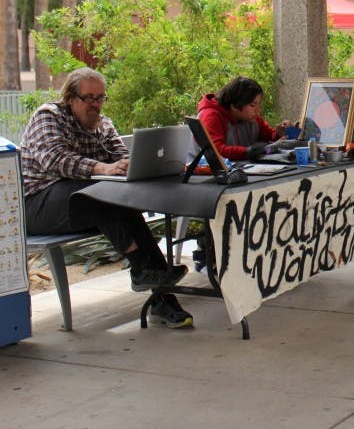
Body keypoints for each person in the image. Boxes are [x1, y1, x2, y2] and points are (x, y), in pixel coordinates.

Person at [20, 67, 191, 328]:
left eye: (100, 97)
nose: (95, 104)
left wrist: (130, 165)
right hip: (37, 203)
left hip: (82, 203)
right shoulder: (48, 116)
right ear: (70, 98)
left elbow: (120, 156)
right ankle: (140, 267)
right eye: (89, 98)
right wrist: (102, 168)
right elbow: (55, 160)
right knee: (97, 193)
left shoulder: (103, 123)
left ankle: (162, 297)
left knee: (121, 202)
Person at [195, 76, 292, 161]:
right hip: (203, 177)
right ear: (234, 106)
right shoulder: (211, 116)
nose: (258, 110)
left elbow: (268, 136)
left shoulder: (251, 117)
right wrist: (247, 152)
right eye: (253, 105)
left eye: (258, 104)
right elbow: (215, 151)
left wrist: (279, 134)